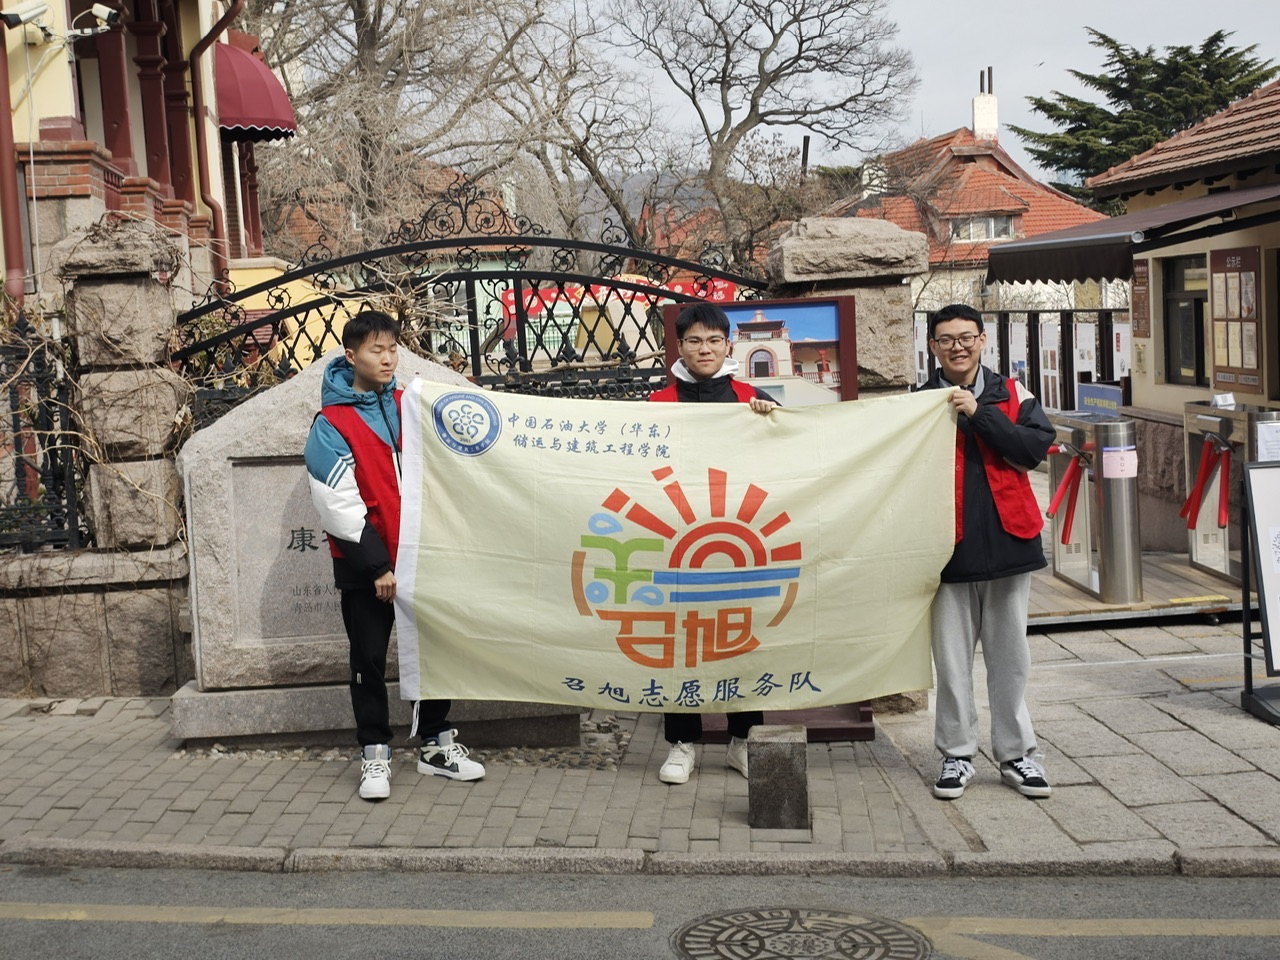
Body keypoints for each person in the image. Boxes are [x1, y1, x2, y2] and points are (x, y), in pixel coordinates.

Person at [304, 310, 485, 801]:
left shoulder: (412, 405)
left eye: (392, 349)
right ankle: (375, 752)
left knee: (435, 652)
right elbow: (336, 503)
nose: (387, 359)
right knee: (367, 658)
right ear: (351, 356)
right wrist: (377, 565)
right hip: (367, 568)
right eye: (375, 350)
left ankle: (436, 744)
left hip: (425, 557)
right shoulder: (331, 423)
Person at [919, 303, 1055, 800]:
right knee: (951, 662)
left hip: (1009, 541)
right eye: (946, 339)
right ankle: (957, 754)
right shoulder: (918, 403)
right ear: (932, 347)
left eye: (966, 337)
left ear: (982, 340)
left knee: (1010, 657)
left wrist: (979, 414)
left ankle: (1017, 754)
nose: (957, 346)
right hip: (945, 547)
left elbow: (1031, 450)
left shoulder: (1014, 394)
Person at [649, 302, 778, 784]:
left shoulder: (752, 398)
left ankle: (742, 740)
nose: (704, 349)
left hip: (741, 535)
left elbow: (790, 454)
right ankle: (682, 743)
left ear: (728, 345)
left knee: (741, 638)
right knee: (680, 641)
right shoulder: (656, 405)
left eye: (713, 340)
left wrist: (771, 421)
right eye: (694, 341)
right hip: (677, 536)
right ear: (679, 346)